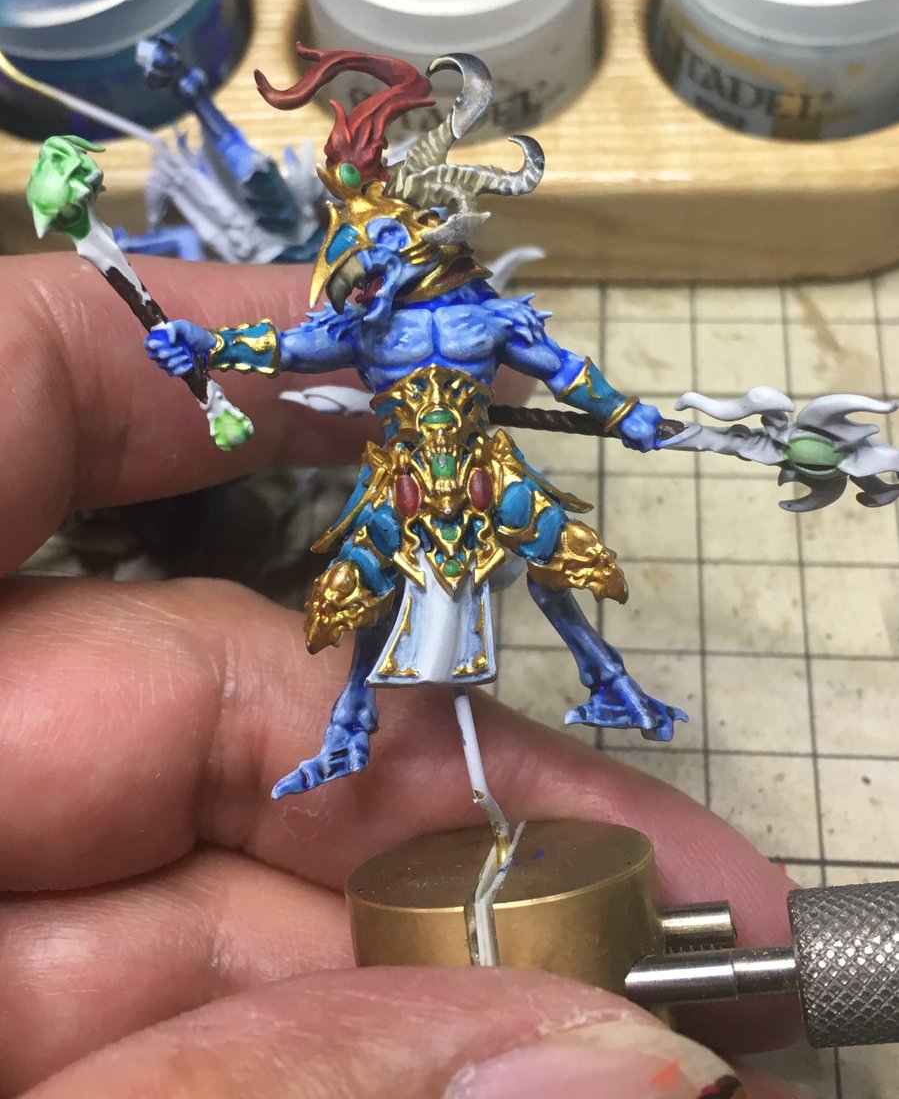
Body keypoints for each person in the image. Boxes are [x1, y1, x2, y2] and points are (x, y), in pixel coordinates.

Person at [0, 255, 811, 1098]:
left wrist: (627, 415)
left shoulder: (489, 320)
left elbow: (568, 372)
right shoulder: (366, 324)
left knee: (563, 558)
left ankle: (605, 677)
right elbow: (284, 349)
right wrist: (202, 344)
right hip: (404, 479)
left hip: (486, 468)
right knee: (359, 596)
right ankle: (352, 723)